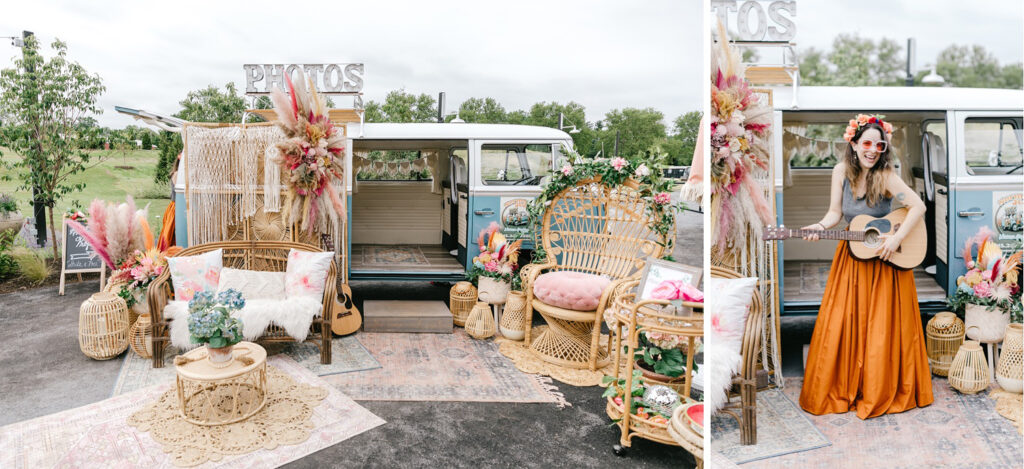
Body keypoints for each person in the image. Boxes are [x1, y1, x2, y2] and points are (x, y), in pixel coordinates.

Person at [798, 115, 933, 419]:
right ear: (854, 144)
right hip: (852, 257)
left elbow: (918, 206)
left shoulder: (886, 176)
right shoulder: (840, 172)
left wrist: (895, 238)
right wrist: (819, 226)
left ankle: (876, 387)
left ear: (884, 148)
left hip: (885, 260)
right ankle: (849, 384)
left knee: (880, 327)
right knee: (845, 321)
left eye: (879, 145)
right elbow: (834, 213)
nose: (872, 150)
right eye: (867, 143)